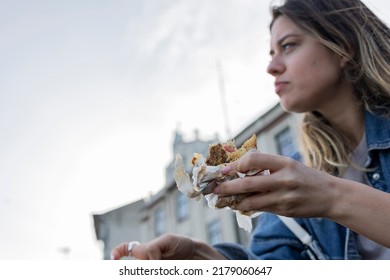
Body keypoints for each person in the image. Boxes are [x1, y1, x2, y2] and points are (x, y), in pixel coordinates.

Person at [111, 0, 390, 260]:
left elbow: (327, 195)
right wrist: (203, 258)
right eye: (271, 53)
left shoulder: (307, 183)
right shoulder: (298, 171)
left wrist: (332, 198)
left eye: (289, 46)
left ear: (343, 47)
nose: (272, 67)